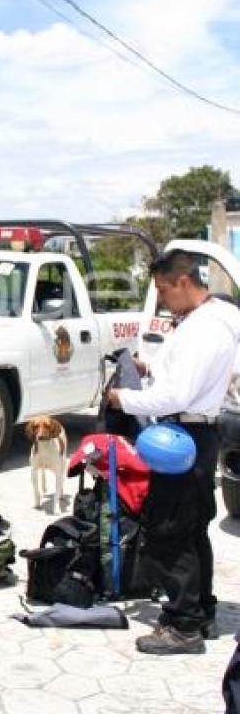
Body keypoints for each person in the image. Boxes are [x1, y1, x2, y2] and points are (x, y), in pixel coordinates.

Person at [107, 248, 240, 656]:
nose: (163, 298)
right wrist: (151, 369)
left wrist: (122, 399)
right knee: (193, 527)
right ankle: (200, 610)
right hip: (197, 434)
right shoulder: (217, 317)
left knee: (171, 531)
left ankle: (183, 625)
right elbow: (186, 377)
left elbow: (177, 395)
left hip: (185, 436)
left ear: (184, 282)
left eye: (165, 290)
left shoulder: (205, 329)